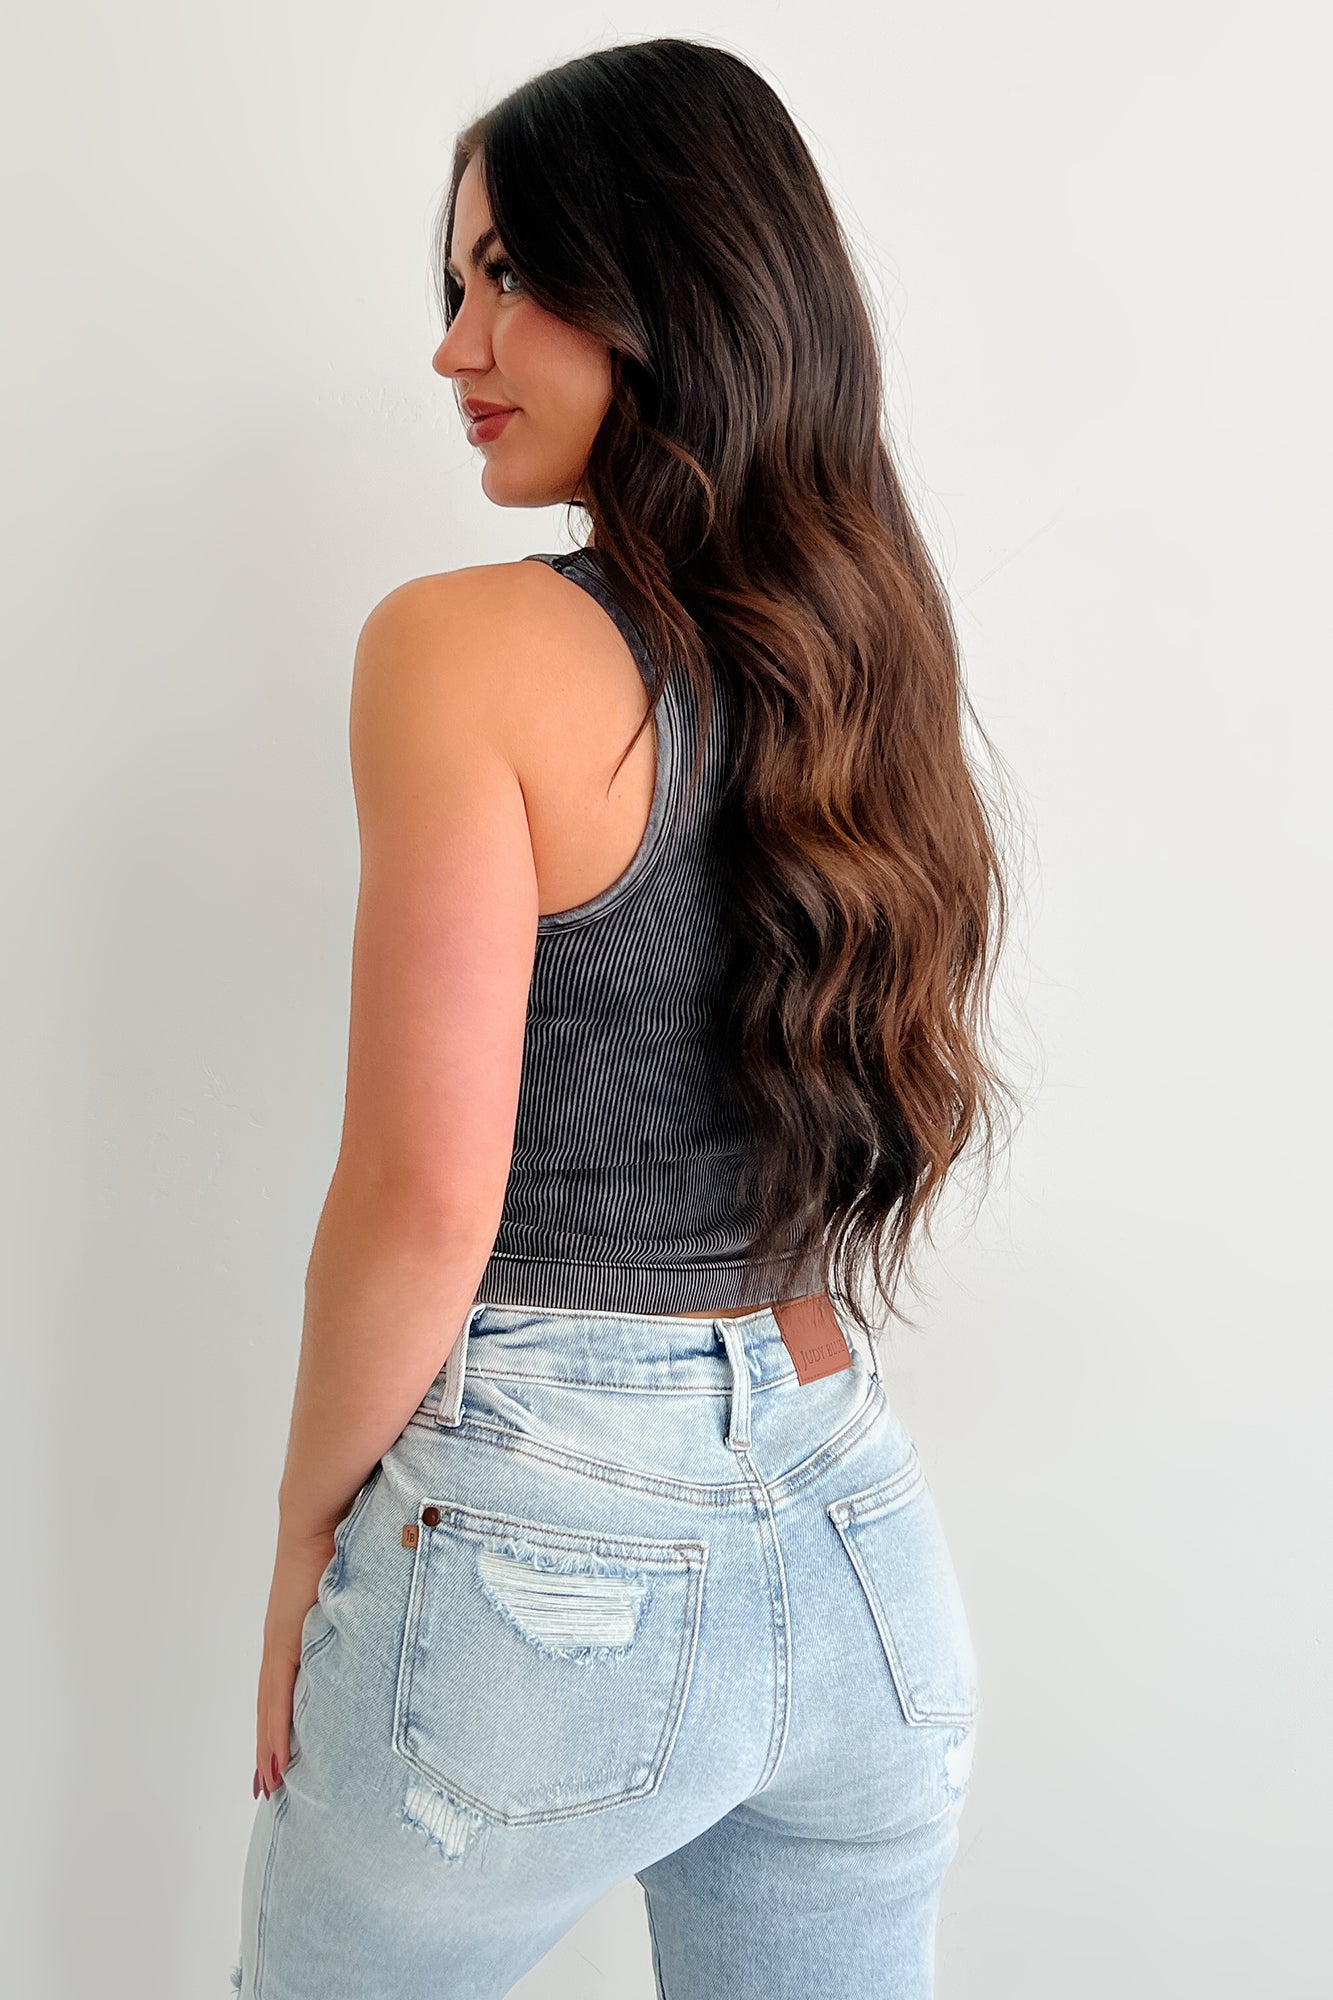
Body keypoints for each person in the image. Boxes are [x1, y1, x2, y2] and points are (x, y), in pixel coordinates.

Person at [231, 35, 1017, 2000]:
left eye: (506, 275)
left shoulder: (460, 646)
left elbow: (423, 1191)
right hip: (858, 1537)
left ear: (663, 277)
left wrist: (306, 1541)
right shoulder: (868, 651)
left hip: (539, 1539)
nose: (454, 346)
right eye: (452, 284)